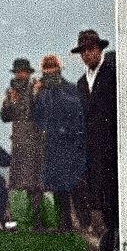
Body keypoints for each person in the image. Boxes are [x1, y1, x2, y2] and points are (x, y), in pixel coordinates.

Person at [72, 28, 119, 251]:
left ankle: (114, 244)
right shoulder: (81, 83)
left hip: (113, 148)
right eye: (83, 51)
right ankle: (108, 243)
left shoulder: (114, 75)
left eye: (91, 49)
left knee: (113, 195)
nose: (87, 54)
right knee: (97, 197)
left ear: (100, 49)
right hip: (92, 150)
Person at [31, 55, 87, 233]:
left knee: (75, 185)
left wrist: (57, 90)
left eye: (53, 68)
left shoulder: (70, 88)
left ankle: (84, 222)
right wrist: (36, 95)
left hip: (70, 142)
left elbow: (76, 109)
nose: (50, 72)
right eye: (46, 69)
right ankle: (65, 224)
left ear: (59, 69)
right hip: (53, 143)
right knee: (56, 185)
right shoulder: (43, 92)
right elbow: (38, 118)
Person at [0, 57, 46, 231]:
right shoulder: (11, 91)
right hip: (19, 142)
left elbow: (40, 110)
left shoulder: (36, 88)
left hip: (35, 141)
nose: (21, 75)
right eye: (18, 72)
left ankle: (38, 220)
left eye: (23, 72)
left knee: (36, 183)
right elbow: (4, 116)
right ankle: (8, 219)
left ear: (28, 73)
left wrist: (35, 93)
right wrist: (12, 100)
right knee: (16, 183)